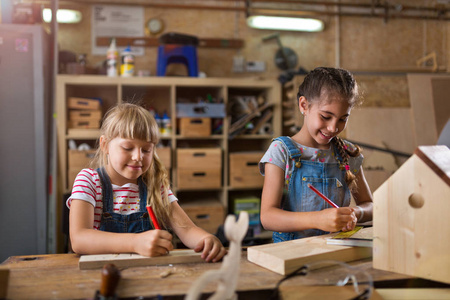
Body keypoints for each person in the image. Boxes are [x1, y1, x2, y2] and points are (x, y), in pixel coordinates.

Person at [67, 102, 226, 262]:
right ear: (105, 145)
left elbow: (187, 230)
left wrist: (206, 240)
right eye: (128, 148)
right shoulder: (89, 181)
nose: (138, 157)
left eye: (146, 150)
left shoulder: (155, 185)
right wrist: (135, 243)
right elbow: (79, 239)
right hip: (103, 273)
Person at [259, 67, 373, 243]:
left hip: (335, 251)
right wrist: (317, 219)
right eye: (326, 116)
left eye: (343, 118)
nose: (333, 128)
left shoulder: (348, 154)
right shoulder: (281, 151)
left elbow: (370, 206)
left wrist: (354, 213)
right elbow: (267, 217)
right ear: (304, 105)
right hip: (291, 253)